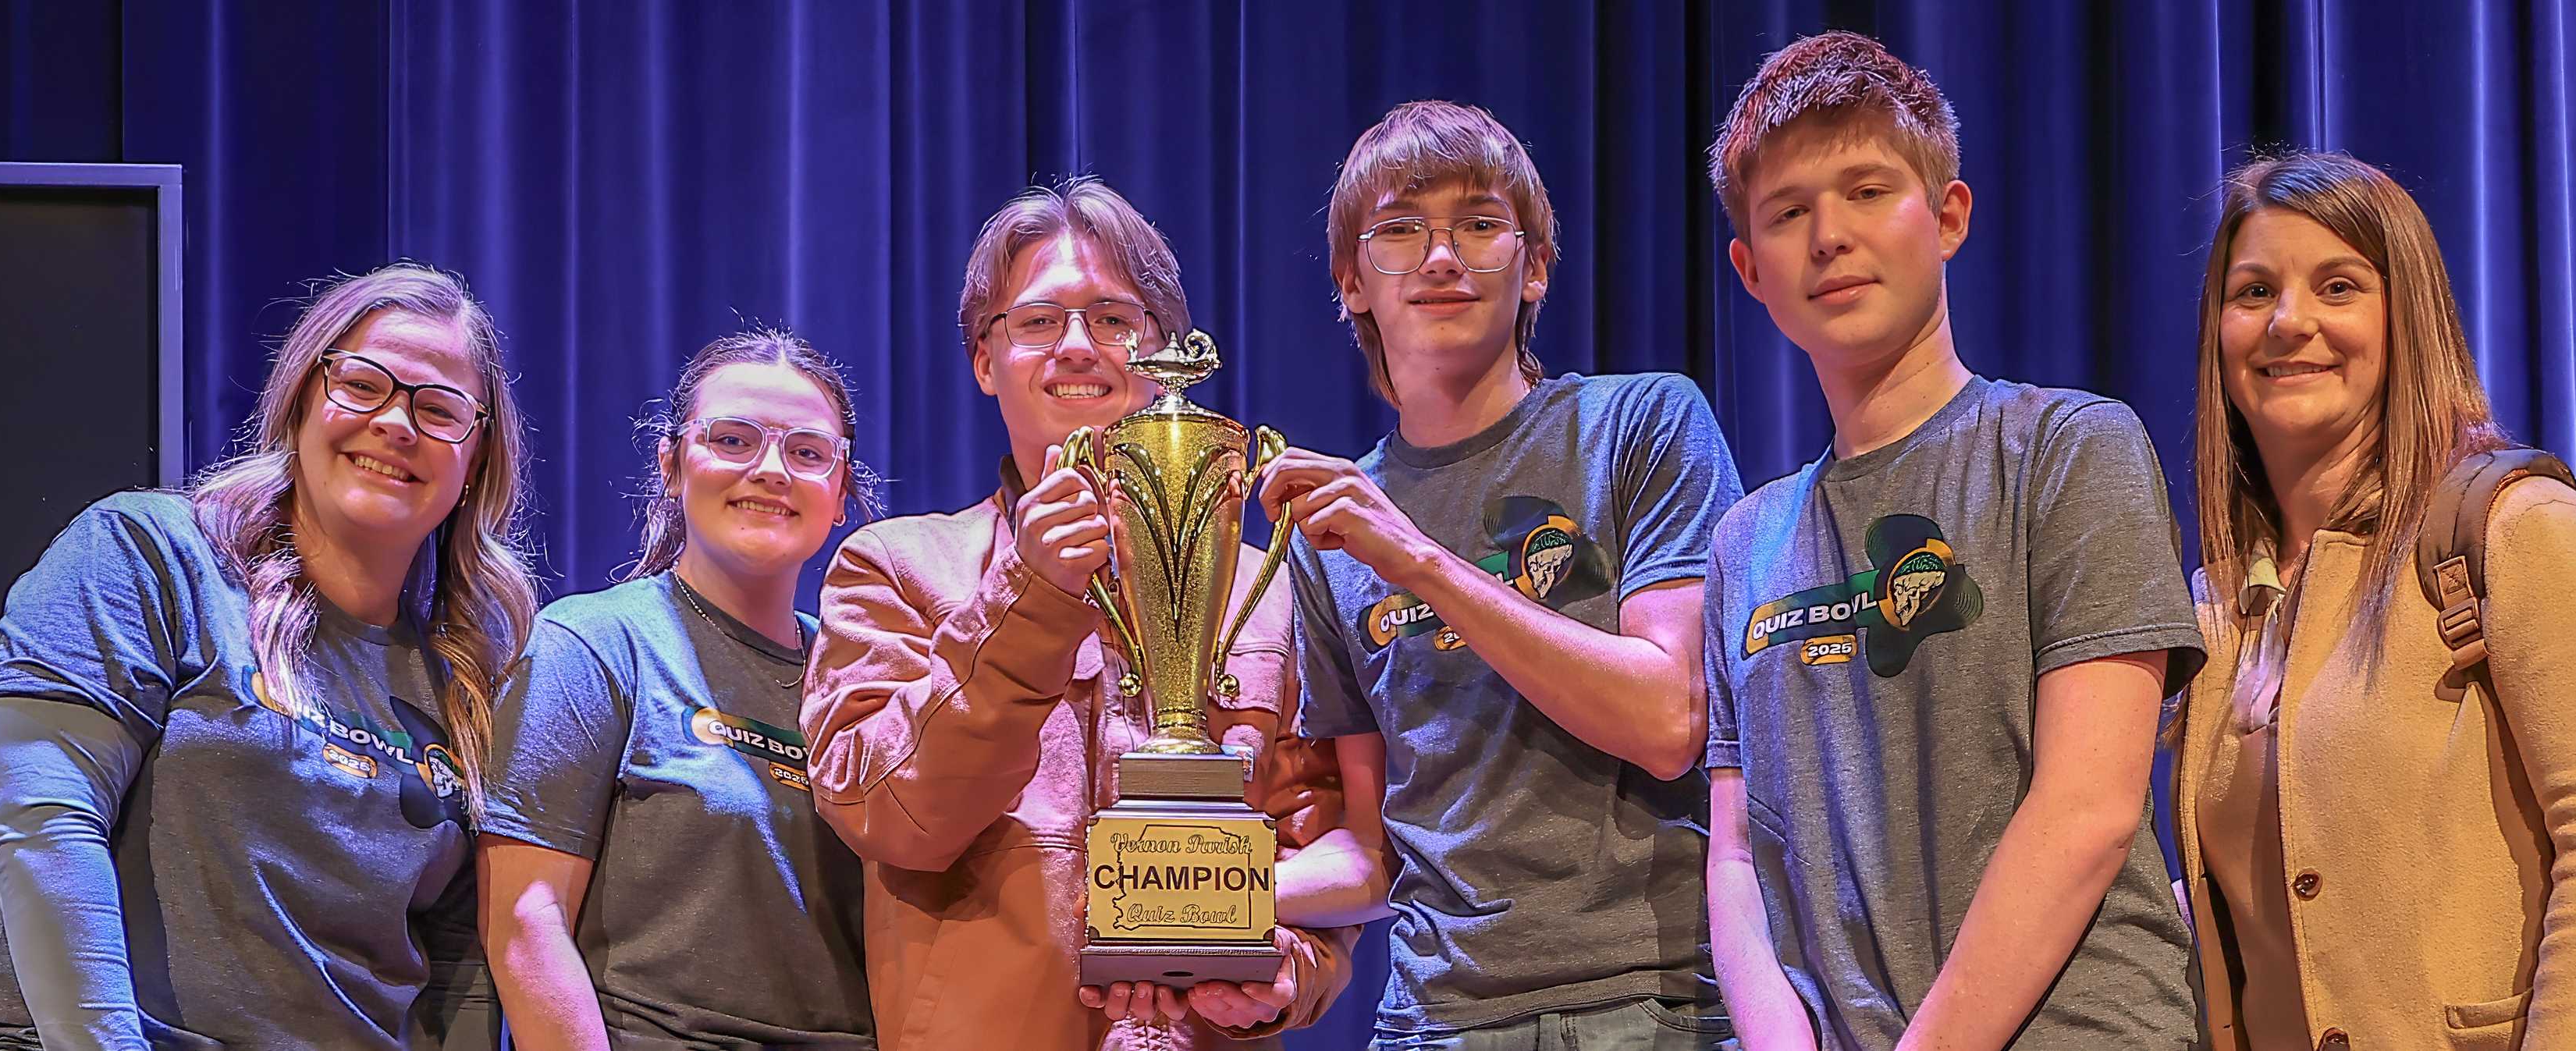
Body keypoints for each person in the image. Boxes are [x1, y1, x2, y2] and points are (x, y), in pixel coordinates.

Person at [1695, 32, 2206, 1050]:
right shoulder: (1744, 540)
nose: (1829, 236)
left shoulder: (2068, 449)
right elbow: (1737, 857)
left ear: (1948, 216)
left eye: (1869, 190)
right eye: (1789, 212)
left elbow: (2089, 807)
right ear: (1750, 269)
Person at [2169, 150, 2576, 1050]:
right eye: (2254, 291)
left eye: (2339, 286)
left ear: (2406, 318)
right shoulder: (2224, 609)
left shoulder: (2523, 531)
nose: (2289, 321)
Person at [801, 176, 1358, 1049]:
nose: (1077, 347)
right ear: (985, 360)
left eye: (1113, 319)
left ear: (1168, 356)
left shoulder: (1269, 587)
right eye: (1036, 321)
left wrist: (1291, 967)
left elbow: (1319, 831)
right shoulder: (894, 568)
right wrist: (1032, 596)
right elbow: (896, 818)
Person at [1267, 99, 1745, 1049]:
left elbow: (1668, 722)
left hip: (1646, 1005)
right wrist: (1164, 892)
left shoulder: (1641, 425)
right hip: (1431, 1020)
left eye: (1480, 225)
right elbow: (1371, 847)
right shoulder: (1335, 528)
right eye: (1400, 230)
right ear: (1350, 281)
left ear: (1535, 268)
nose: (1441, 258)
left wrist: (1416, 560)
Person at [0, 263, 528, 1049]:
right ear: (302, 398)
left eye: (439, 409)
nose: (397, 424)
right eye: (363, 385)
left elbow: (458, 967)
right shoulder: (150, 555)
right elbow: (44, 821)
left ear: (476, 461)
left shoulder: (472, 673)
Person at [479, 328, 883, 1048]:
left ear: (841, 492)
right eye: (732, 439)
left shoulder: (868, 676)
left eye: (807, 452)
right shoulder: (595, 645)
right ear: (671, 463)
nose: (770, 470)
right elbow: (523, 921)